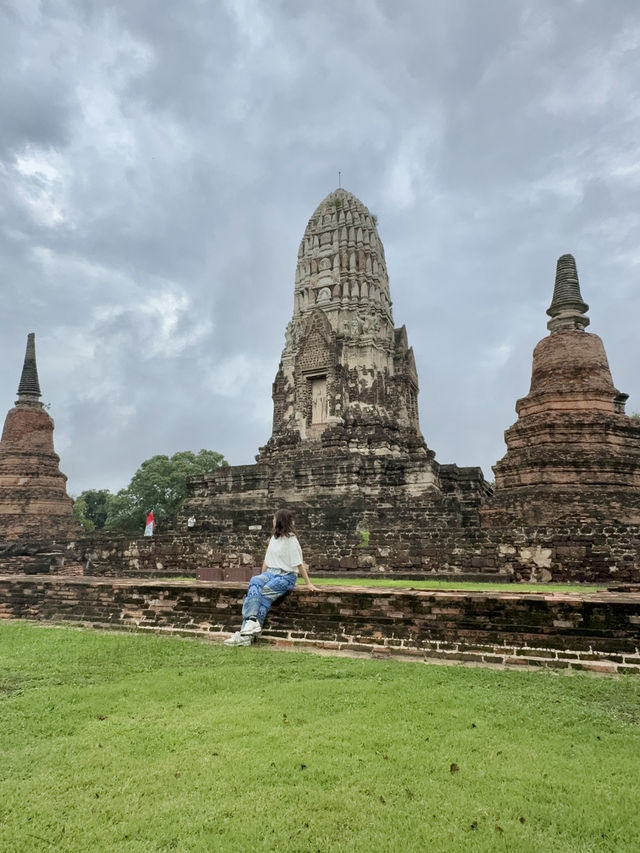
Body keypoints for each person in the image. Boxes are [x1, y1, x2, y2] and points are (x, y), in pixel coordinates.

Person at [224, 508, 318, 647]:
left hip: (286, 576)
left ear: (279, 520)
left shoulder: (291, 540)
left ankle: (246, 635)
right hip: (271, 573)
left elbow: (298, 563)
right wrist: (262, 575)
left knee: (263, 594)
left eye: (274, 519)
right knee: (255, 581)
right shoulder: (274, 539)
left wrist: (308, 583)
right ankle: (249, 626)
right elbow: (267, 561)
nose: (272, 521)